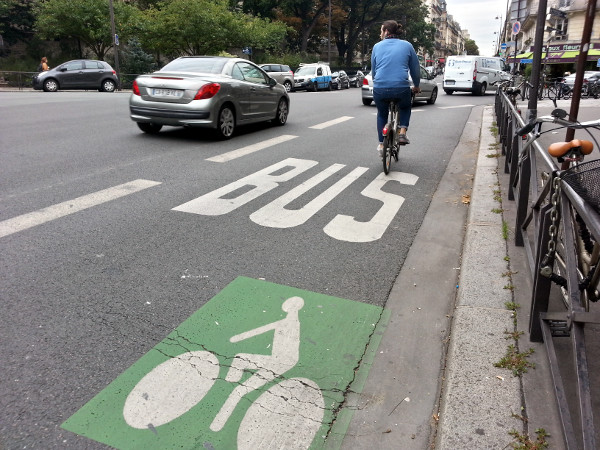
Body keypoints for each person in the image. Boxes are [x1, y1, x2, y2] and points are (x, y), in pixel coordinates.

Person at [371, 20, 421, 158]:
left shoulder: (376, 46)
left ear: (386, 31)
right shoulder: (407, 45)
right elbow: (415, 69)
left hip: (380, 88)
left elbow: (374, 71)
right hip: (401, 87)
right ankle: (402, 133)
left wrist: (378, 82)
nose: (380, 33)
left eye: (381, 30)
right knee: (405, 107)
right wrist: (416, 86)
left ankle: (381, 144)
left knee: (382, 113)